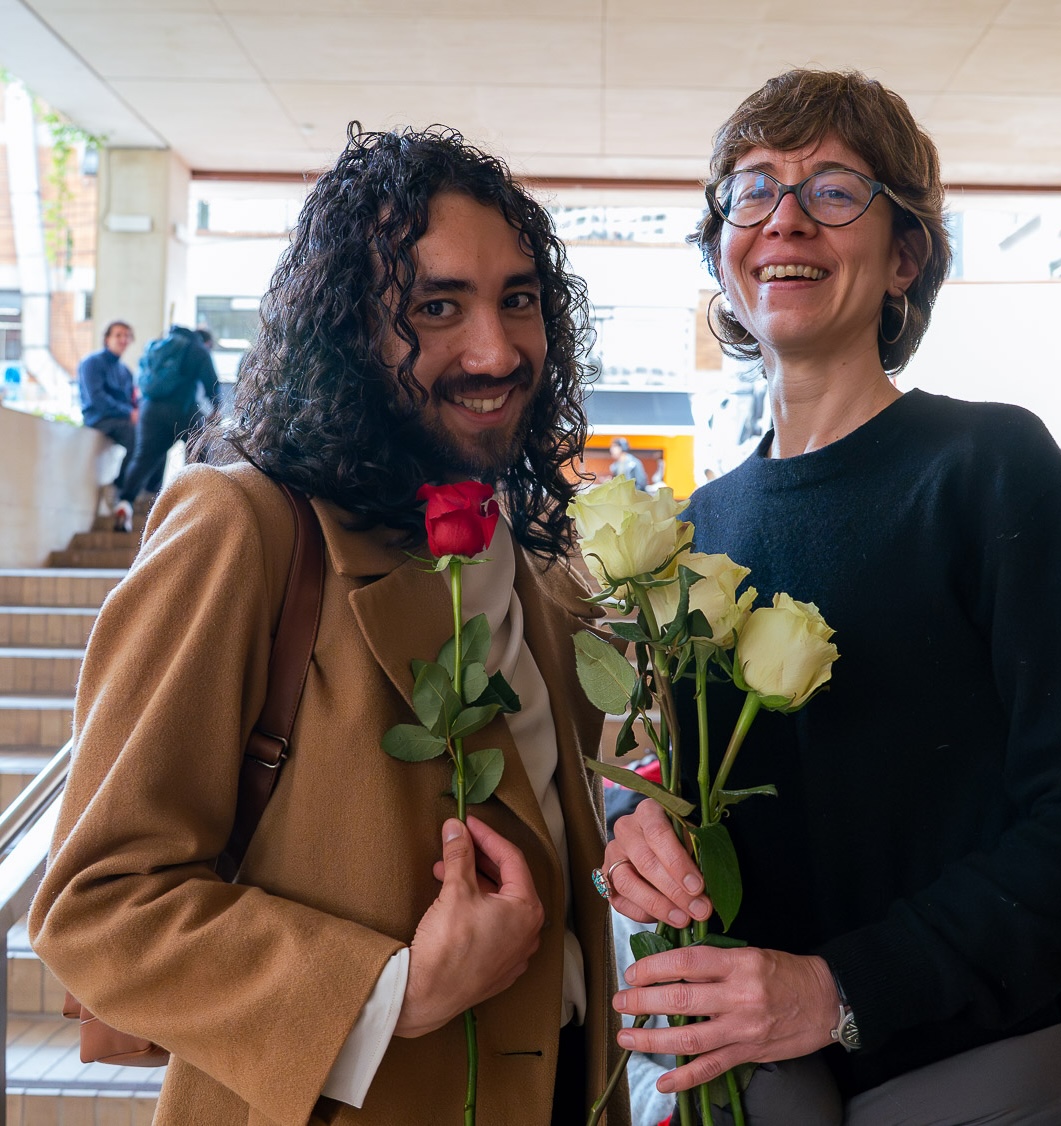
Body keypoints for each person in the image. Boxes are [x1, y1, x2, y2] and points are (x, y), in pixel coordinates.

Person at [601, 68, 1061, 1125]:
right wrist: (632, 816)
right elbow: (668, 765)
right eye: (751, 188)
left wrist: (839, 990)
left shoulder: (988, 468)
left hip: (988, 1070)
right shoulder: (693, 529)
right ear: (721, 249)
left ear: (904, 254)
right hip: (766, 1085)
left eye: (832, 189)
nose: (783, 218)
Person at [30, 125, 626, 1126]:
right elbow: (96, 903)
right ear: (349, 331)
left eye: (518, 299)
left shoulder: (535, 557)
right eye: (436, 307)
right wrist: (392, 993)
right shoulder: (245, 525)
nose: (495, 351)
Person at [112, 326, 222, 533]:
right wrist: (216, 410)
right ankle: (198, 507)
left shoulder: (158, 346)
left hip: (149, 411)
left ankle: (125, 503)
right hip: (184, 409)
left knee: (143, 458)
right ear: (207, 343)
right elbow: (212, 384)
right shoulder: (198, 349)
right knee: (199, 456)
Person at [76, 320, 158, 497]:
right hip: (99, 419)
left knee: (156, 438)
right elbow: (97, 399)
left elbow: (133, 400)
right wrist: (129, 413)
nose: (123, 339)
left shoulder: (125, 370)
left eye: (127, 336)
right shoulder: (91, 362)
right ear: (107, 339)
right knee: (135, 437)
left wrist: (141, 412)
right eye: (118, 335)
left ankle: (150, 494)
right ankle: (119, 489)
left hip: (123, 419)